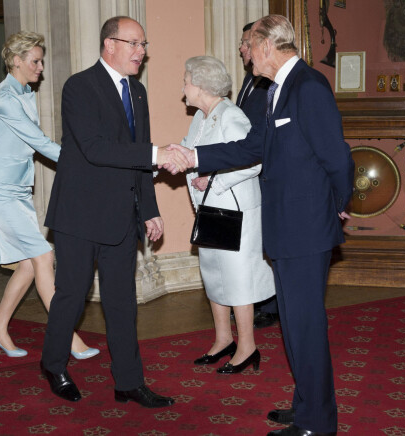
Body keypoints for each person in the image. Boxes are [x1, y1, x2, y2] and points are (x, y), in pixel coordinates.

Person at [166, 15, 354, 436]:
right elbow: (253, 147)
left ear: (269, 45)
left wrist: (339, 204)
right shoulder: (279, 90)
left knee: (305, 326)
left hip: (306, 229)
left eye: (250, 43)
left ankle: (317, 423)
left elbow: (337, 157)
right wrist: (194, 157)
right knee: (295, 324)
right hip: (286, 228)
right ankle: (306, 403)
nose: (245, 53)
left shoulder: (307, 86)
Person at [41, 16, 184, 406]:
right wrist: (159, 154)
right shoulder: (80, 87)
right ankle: (53, 365)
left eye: (144, 44)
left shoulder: (136, 92)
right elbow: (96, 148)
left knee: (122, 302)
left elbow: (137, 155)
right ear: (110, 44)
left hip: (123, 215)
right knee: (72, 295)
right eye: (135, 44)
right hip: (80, 215)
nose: (142, 51)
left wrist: (150, 209)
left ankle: (129, 382)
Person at [0, 31, 99, 361]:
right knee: (44, 256)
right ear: (16, 61)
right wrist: (88, 160)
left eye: (41, 61)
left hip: (16, 188)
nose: (41, 67)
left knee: (30, 266)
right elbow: (41, 143)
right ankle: (68, 337)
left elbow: (40, 142)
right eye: (35, 61)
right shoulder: (3, 98)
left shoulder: (24, 92)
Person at [181, 56, 275, 374]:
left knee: (237, 279)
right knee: (214, 275)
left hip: (235, 208)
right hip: (210, 208)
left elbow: (254, 162)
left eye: (186, 81)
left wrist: (214, 179)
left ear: (202, 85)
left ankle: (247, 346)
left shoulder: (232, 116)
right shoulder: (200, 116)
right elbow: (187, 150)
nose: (184, 89)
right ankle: (223, 339)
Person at [236, 22, 279, 330]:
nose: (241, 48)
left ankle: (273, 303)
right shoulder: (250, 80)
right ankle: (264, 300)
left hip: (265, 170)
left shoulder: (267, 81)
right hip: (251, 165)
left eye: (245, 43)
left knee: (268, 239)